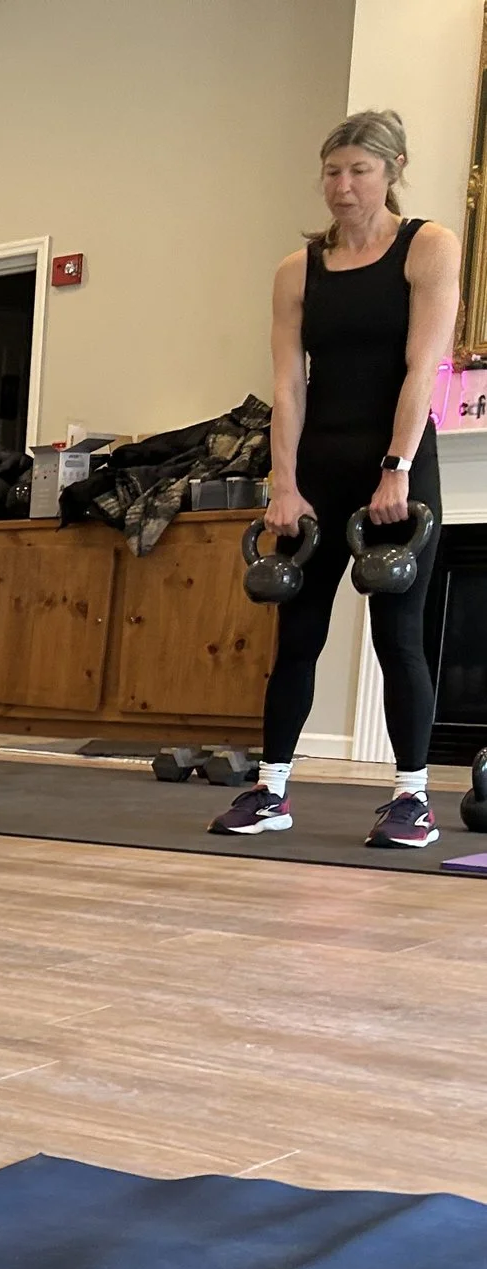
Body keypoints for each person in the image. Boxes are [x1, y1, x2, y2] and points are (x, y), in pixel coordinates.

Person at [212, 109, 456, 848]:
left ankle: (412, 800)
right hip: (317, 468)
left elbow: (423, 367)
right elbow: (288, 386)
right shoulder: (299, 269)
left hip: (397, 467)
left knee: (398, 637)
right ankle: (271, 789)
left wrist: (396, 469)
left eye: (359, 170)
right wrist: (283, 484)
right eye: (332, 171)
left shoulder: (428, 247)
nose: (342, 186)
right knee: (297, 635)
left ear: (393, 170)